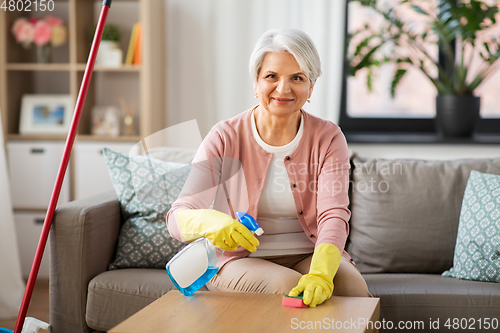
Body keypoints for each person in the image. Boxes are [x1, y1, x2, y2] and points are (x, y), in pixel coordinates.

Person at [166, 28, 371, 307]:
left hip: (307, 255)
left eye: (297, 78)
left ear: (311, 87)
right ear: (256, 83)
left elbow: (333, 215)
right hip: (237, 260)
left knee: (352, 289)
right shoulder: (225, 136)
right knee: (286, 288)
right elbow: (178, 216)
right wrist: (214, 223)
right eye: (271, 76)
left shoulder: (328, 137)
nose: (283, 89)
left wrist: (322, 275)